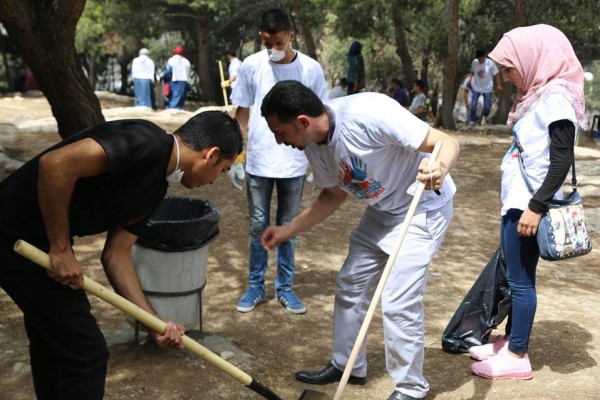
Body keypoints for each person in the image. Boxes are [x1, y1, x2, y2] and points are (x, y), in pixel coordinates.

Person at [0, 111, 243, 399]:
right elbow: (55, 164)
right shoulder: (146, 141)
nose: (216, 181)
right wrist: (61, 248)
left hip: (35, 240)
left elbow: (117, 255)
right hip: (13, 232)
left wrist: (153, 322)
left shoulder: (155, 190)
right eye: (223, 170)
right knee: (85, 351)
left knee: (56, 341)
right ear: (211, 155)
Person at [260, 80, 460, 400]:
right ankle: (348, 365)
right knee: (350, 283)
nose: (278, 141)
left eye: (279, 132)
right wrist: (289, 229)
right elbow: (333, 194)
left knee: (398, 299)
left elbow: (446, 142)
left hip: (421, 207)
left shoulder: (370, 113)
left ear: (302, 122)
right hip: (382, 212)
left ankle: (411, 388)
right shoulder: (313, 144)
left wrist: (440, 167)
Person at [468, 24, 587, 380]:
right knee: (518, 275)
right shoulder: (538, 95)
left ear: (531, 58)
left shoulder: (556, 99)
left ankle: (517, 355)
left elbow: (561, 160)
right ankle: (510, 340)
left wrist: (535, 208)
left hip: (529, 206)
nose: (505, 77)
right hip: (520, 202)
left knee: (520, 281)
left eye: (509, 68)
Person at [230, 8, 328, 315]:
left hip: (294, 163)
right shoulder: (251, 65)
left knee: (288, 227)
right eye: (268, 43)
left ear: (291, 36)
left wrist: (319, 162)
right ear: (261, 38)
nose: (274, 49)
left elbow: (322, 115)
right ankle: (255, 286)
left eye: (279, 43)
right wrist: (238, 156)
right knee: (257, 226)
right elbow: (242, 111)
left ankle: (285, 287)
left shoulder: (310, 69)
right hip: (259, 161)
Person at [467, 49, 503, 126]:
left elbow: (497, 73)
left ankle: (486, 115)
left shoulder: (490, 63)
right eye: (478, 59)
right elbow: (472, 72)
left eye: (481, 59)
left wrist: (499, 85)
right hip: (476, 86)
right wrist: (469, 80)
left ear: (484, 57)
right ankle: (472, 120)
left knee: (487, 106)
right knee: (473, 104)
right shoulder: (474, 62)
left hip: (487, 87)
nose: (480, 61)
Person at [161, 46, 191, 110]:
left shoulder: (172, 60)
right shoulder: (186, 61)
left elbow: (169, 71)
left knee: (175, 96)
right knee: (181, 96)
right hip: (184, 81)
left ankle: (171, 108)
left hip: (175, 80)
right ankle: (179, 108)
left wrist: (163, 75)